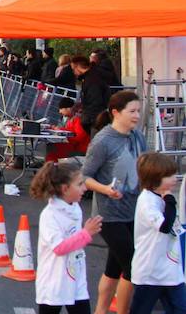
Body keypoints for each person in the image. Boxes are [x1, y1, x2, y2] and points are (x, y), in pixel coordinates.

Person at [82, 90, 146, 314]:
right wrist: (106, 190)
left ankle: (100, 311)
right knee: (132, 267)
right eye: (132, 111)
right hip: (109, 215)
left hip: (134, 211)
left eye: (139, 110)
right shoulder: (103, 141)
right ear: (116, 113)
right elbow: (84, 176)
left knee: (113, 267)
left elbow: (143, 167)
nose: (137, 116)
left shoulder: (137, 136)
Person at [30, 161, 103, 314]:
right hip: (54, 280)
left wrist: (84, 235)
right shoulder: (50, 215)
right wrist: (86, 233)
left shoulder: (75, 208)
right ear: (65, 189)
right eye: (80, 184)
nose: (84, 188)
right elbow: (59, 247)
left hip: (76, 277)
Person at [130, 152, 185, 314]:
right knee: (141, 309)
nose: (174, 178)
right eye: (169, 175)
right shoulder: (147, 201)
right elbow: (165, 226)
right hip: (150, 272)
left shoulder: (162, 196)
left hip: (171, 270)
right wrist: (170, 201)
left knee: (180, 308)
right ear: (154, 179)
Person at [71, 55, 111, 135]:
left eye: (73, 69)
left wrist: (86, 119)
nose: (74, 72)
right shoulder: (91, 77)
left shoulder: (92, 79)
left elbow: (95, 101)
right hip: (96, 118)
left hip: (96, 120)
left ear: (78, 67)